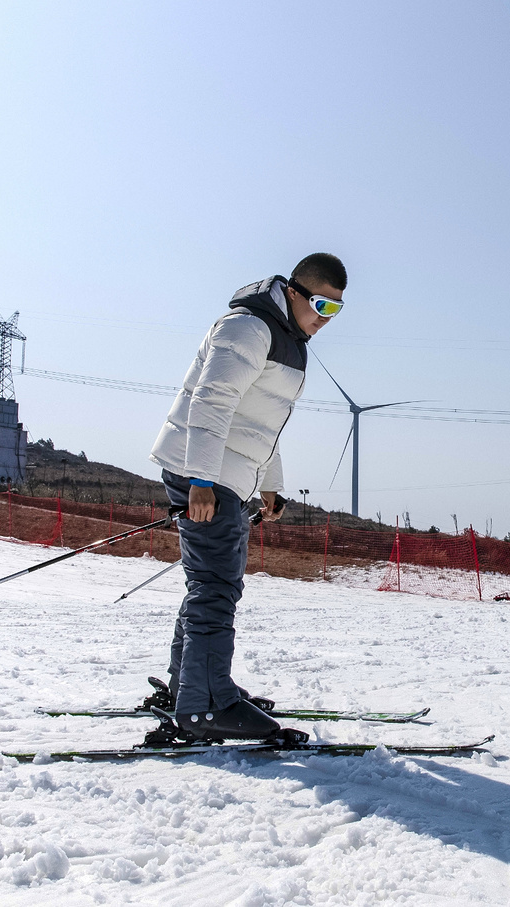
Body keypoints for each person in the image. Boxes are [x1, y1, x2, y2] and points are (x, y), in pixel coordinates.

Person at [148, 253, 346, 740]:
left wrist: (271, 485)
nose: (325, 319)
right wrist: (200, 480)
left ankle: (189, 687)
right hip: (206, 474)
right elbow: (212, 399)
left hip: (225, 475)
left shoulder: (289, 341)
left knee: (210, 585)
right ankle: (204, 706)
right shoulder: (249, 327)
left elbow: (261, 424)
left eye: (337, 310)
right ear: (295, 292)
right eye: (322, 304)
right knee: (216, 588)